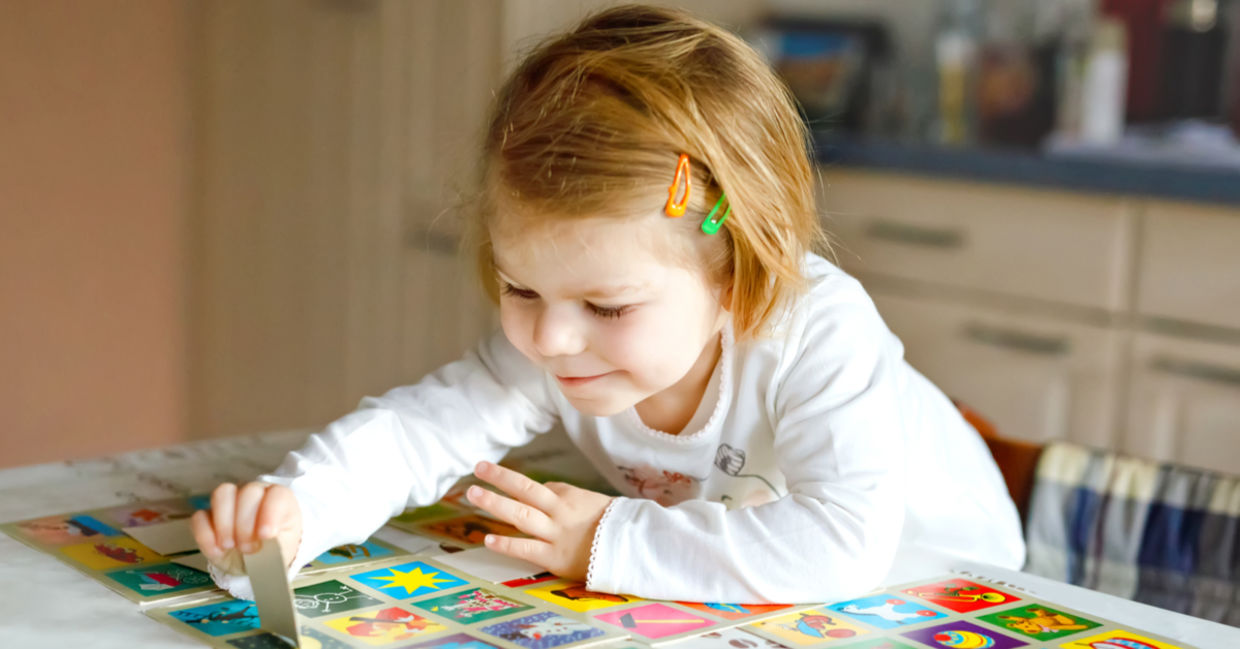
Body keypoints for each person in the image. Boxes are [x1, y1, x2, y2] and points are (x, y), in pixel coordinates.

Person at [191, 4, 1024, 604]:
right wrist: (300, 508)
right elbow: (422, 429)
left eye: (609, 306)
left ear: (736, 271)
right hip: (772, 598)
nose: (550, 335)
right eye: (521, 286)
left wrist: (604, 540)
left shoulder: (817, 328)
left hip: (949, 587)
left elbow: (843, 547)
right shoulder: (565, 332)